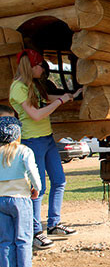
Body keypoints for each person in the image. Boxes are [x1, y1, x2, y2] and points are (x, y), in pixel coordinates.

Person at [9, 49, 79, 251]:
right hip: (33, 141)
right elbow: (36, 115)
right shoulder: (18, 87)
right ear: (30, 66)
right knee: (38, 188)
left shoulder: (34, 86)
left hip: (47, 139)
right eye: (41, 65)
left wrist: (71, 95)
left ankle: (54, 224)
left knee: (59, 180)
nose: (43, 69)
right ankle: (35, 231)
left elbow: (47, 97)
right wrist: (61, 101)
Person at [0, 116, 41, 267]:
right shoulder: (24, 151)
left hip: (1, 199)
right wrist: (36, 188)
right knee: (23, 237)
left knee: (5, 239)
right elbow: (32, 171)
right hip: (20, 199)